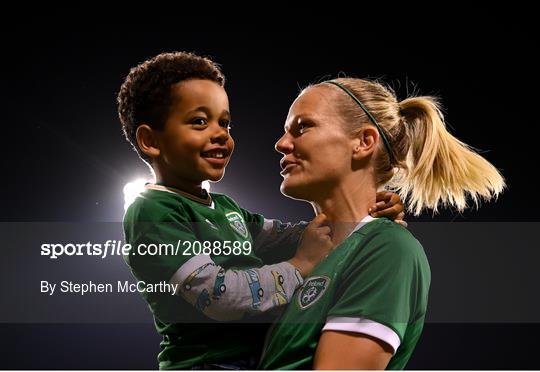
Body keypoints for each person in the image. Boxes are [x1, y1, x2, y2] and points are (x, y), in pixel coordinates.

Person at [117, 52, 405, 369]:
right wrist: (300, 265)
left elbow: (289, 236)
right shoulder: (153, 212)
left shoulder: (224, 208)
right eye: (200, 121)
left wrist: (367, 213)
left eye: (225, 122)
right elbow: (218, 296)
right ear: (150, 140)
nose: (220, 133)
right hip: (208, 364)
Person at [259, 78, 505, 370]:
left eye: (303, 127)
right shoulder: (306, 251)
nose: (282, 143)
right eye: (286, 131)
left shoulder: (388, 250)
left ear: (364, 142)